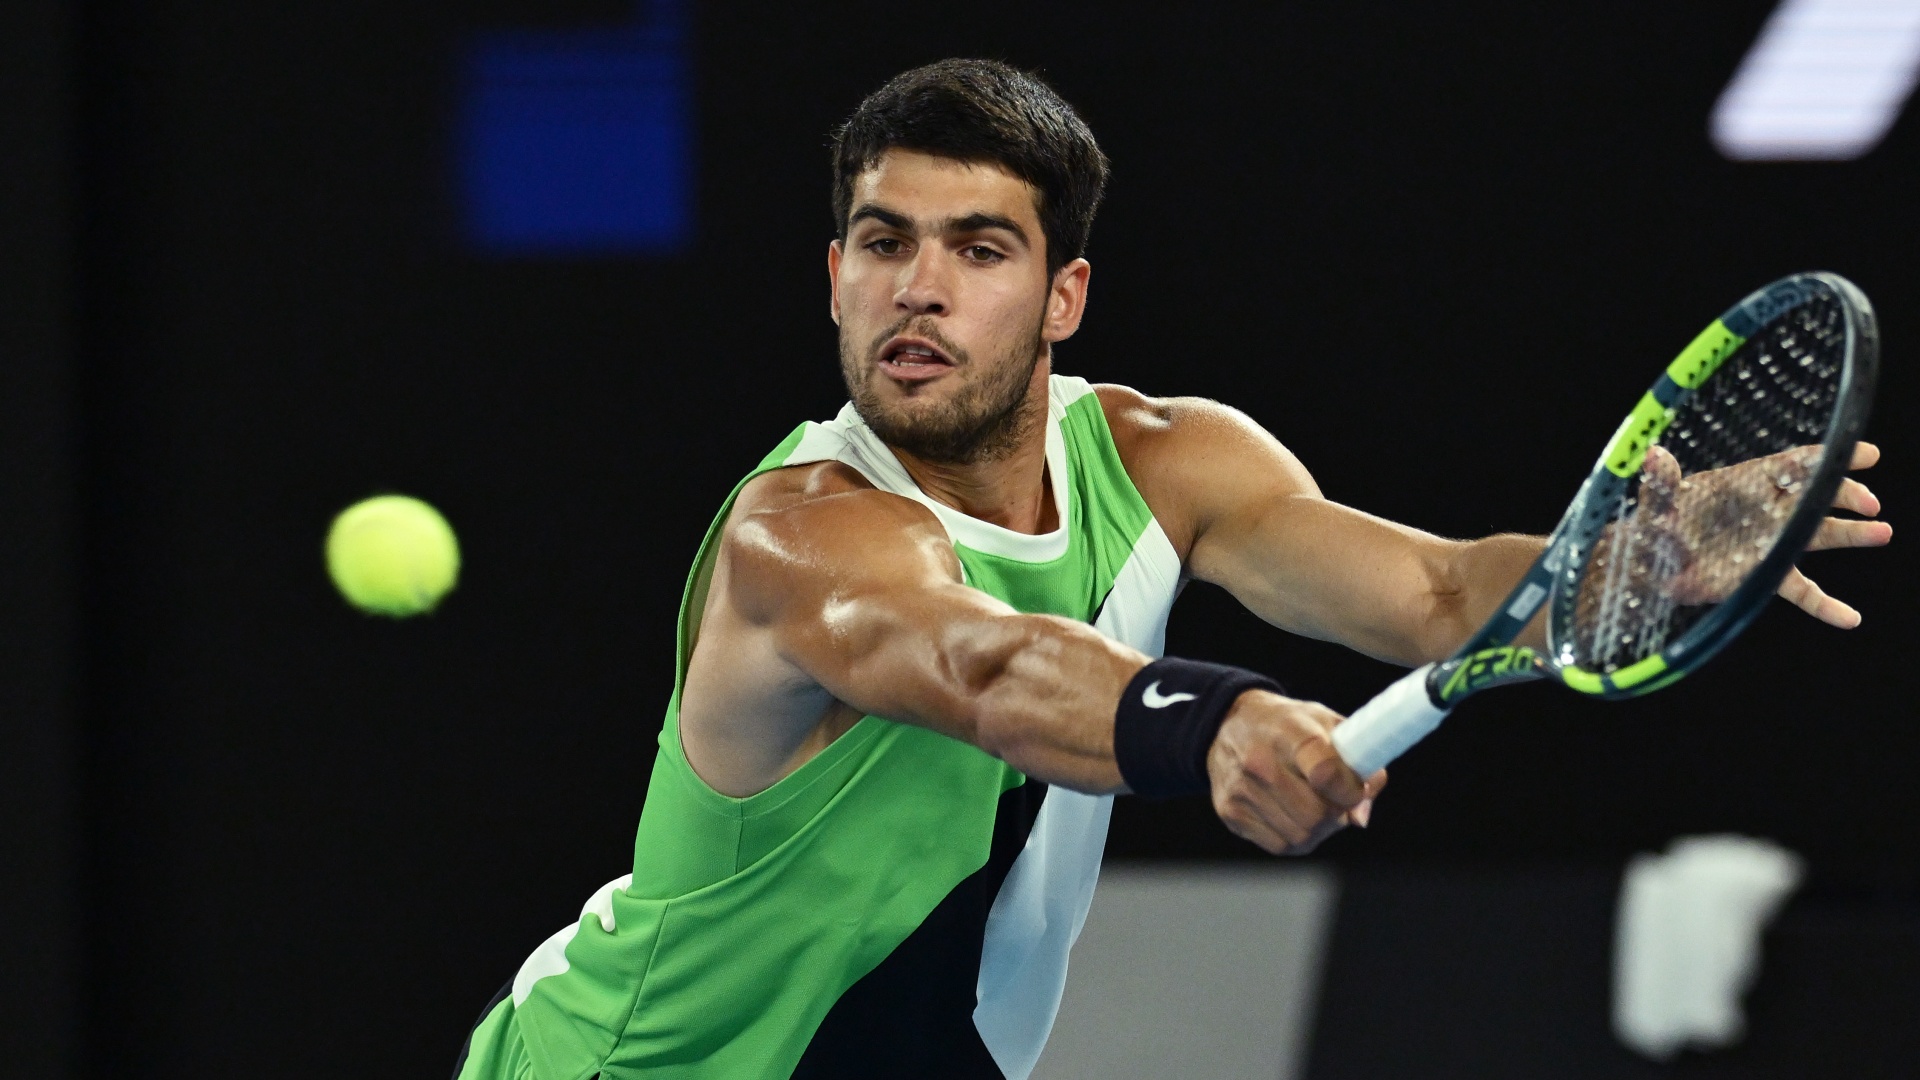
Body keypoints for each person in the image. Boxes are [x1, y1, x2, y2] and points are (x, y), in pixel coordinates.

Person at [453, 58, 1889, 1080]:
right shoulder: (803, 534)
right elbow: (985, 664)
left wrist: (1627, 560)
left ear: (1062, 294)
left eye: (980, 248)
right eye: (883, 245)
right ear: (835, 276)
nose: (920, 288)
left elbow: (1446, 597)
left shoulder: (1164, 462)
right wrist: (1211, 721)